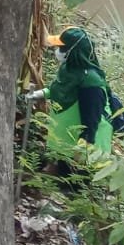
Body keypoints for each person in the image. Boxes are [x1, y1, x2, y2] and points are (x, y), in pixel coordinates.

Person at [31, 27, 115, 156]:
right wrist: (40, 94)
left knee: (77, 174)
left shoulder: (91, 82)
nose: (57, 51)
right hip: (65, 143)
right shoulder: (68, 69)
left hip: (85, 152)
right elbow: (58, 88)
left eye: (61, 48)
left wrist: (84, 146)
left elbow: (92, 119)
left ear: (72, 51)